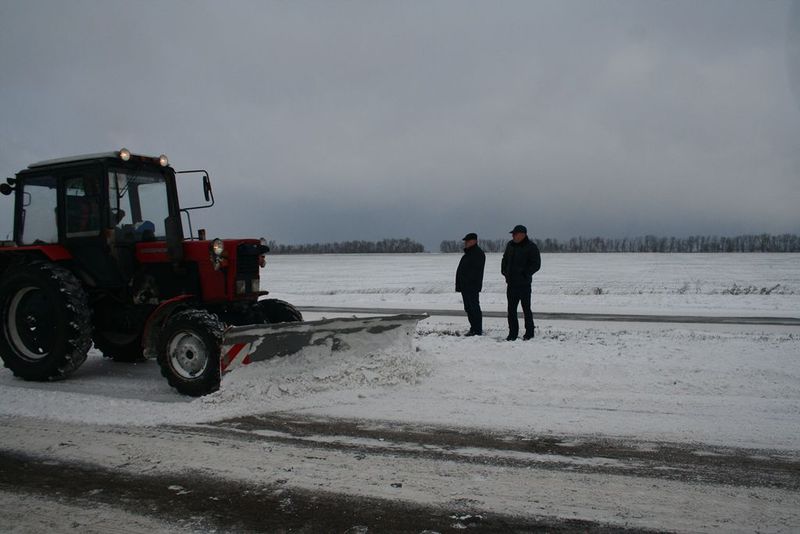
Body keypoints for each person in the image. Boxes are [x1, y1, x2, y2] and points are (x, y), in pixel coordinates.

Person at [501, 224, 541, 340]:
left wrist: (525, 274)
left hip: (524, 285)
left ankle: (529, 333)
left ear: (523, 235)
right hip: (511, 284)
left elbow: (536, 264)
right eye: (513, 234)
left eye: (515, 234)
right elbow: (505, 259)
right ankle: (513, 333)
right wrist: (504, 271)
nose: (513, 236)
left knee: (526, 309)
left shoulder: (531, 247)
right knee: (511, 310)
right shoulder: (510, 245)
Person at [455, 232, 486, 336]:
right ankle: (473, 328)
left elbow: (475, 271)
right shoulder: (468, 254)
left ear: (474, 241)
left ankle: (477, 330)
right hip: (465, 286)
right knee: (468, 308)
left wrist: (467, 281)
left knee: (474, 308)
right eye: (465, 241)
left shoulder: (478, 253)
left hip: (472, 286)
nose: (466, 243)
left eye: (467, 241)